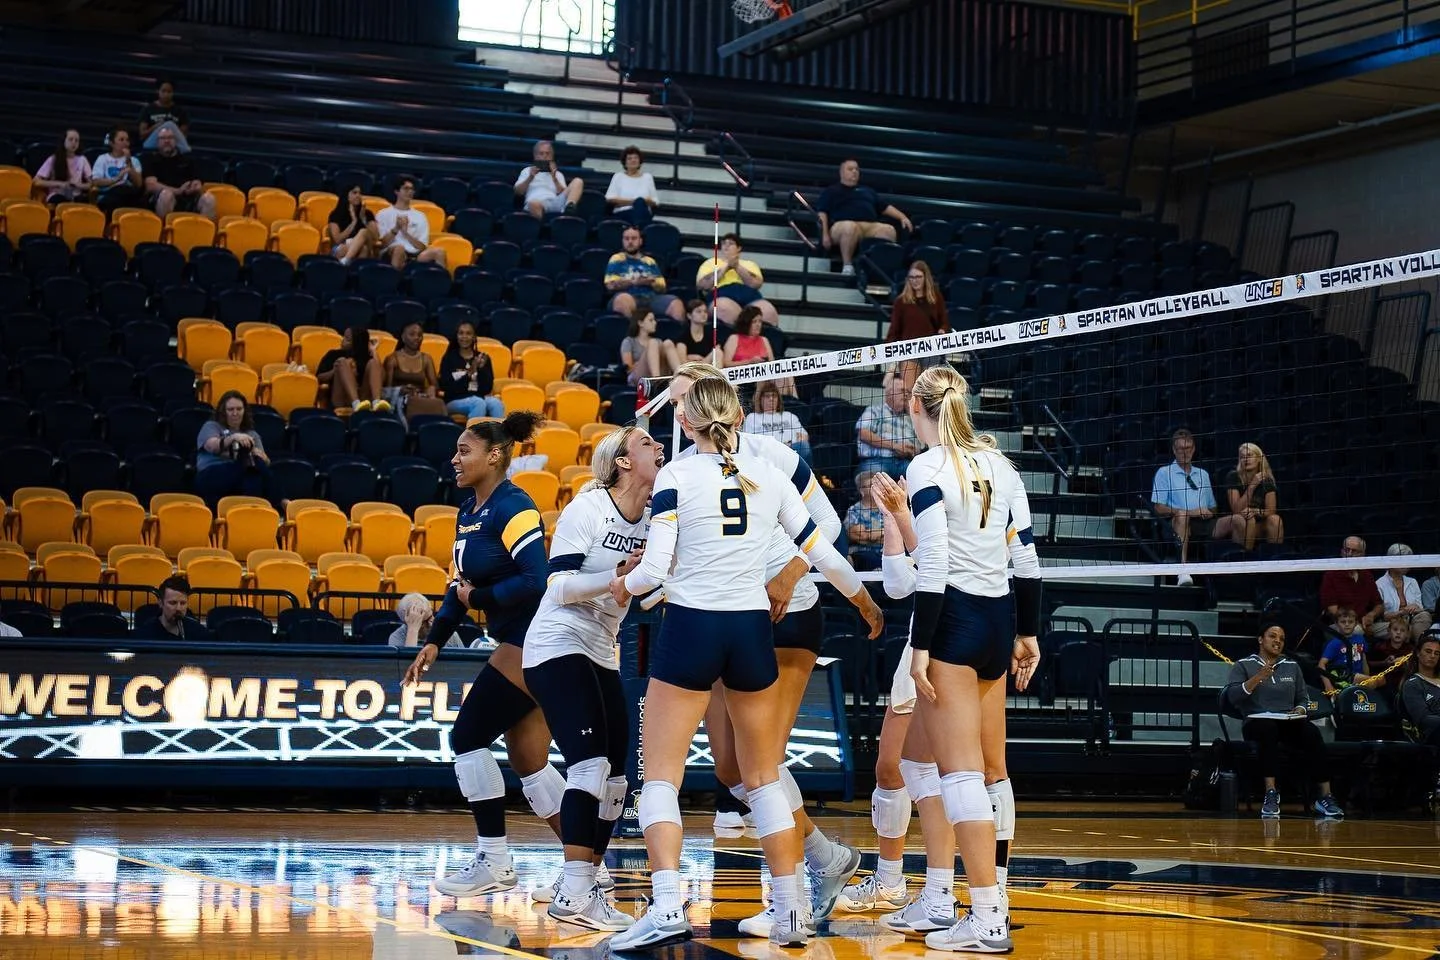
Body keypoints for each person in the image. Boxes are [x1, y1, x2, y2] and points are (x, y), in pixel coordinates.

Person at [605, 376, 882, 950]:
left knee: (659, 775)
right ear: (737, 415)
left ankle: (664, 907)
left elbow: (654, 572)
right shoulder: (771, 476)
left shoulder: (677, 476)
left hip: (693, 628)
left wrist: (622, 587)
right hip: (751, 629)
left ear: (685, 424)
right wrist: (864, 602)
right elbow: (824, 552)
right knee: (761, 778)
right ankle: (789, 915)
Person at [666, 362, 864, 936]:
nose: (677, 410)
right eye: (676, 399)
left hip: (789, 611)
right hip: (726, 616)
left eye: (684, 398)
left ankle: (791, 896)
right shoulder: (680, 469)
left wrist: (789, 574)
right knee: (731, 768)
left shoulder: (770, 455)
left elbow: (828, 525)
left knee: (761, 764)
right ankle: (825, 856)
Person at [854, 470, 1037, 937]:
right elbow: (902, 583)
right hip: (974, 626)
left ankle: (986, 898)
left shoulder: (942, 476)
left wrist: (898, 514)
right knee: (904, 765)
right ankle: (929, 890)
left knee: (974, 770)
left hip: (950, 635)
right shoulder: (940, 484)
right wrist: (897, 519)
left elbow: (943, 567)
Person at [402, 414, 574, 899]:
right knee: (529, 760)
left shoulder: (515, 507)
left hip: (537, 636)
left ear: (494, 455)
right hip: (521, 638)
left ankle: (494, 860)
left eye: (464, 451)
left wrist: (478, 599)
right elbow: (457, 587)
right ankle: (587, 868)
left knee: (468, 735)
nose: (454, 459)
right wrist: (435, 638)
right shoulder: (467, 510)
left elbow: (534, 581)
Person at [901, 364, 1041, 952]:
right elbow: (1027, 557)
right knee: (988, 769)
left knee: (957, 775)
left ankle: (984, 919)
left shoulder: (927, 467)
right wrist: (1029, 635)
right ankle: (992, 899)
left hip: (954, 621)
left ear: (917, 409)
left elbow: (932, 565)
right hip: (999, 619)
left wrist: (922, 647)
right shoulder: (1001, 465)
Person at [521, 426, 665, 931]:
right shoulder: (590, 506)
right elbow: (558, 588)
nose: (660, 448)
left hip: (604, 647)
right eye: (648, 443)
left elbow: (643, 599)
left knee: (618, 777)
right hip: (557, 640)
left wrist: (646, 581)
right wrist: (617, 578)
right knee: (590, 765)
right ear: (623, 461)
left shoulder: (656, 519)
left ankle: (582, 882)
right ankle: (576, 893)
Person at [1224, 622, 1344, 820]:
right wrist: (1257, 678)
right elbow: (1233, 697)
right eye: (1272, 636)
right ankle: (1271, 794)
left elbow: (1303, 697)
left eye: (1281, 638)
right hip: (1256, 721)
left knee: (1311, 733)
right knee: (1267, 729)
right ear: (1260, 639)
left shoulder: (1291, 666)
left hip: (1287, 721)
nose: (1277, 641)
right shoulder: (1243, 665)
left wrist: (1301, 709)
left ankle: (1325, 797)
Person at [816, 159, 912, 277]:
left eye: (857, 169)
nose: (854, 172)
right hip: (841, 226)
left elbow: (885, 207)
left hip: (868, 226)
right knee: (850, 226)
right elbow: (822, 212)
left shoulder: (867, 191)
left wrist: (903, 217)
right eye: (850, 169)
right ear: (841, 172)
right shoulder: (831, 191)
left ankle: (880, 270)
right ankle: (847, 265)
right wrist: (825, 234)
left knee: (888, 230)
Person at [1150, 428, 1216, 585]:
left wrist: (1208, 513)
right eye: (1180, 449)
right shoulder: (1164, 473)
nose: (1184, 453)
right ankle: (1182, 571)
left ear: (1193, 449)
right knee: (1182, 516)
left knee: (1238, 521)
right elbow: (1158, 508)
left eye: (1188, 448)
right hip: (1176, 523)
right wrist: (1190, 512)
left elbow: (1214, 508)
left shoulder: (1203, 474)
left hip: (1203, 524)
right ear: (1174, 450)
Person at [194, 391, 277, 509]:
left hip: (241, 475)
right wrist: (233, 438)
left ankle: (250, 515)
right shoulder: (211, 426)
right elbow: (212, 446)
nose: (235, 413)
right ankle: (281, 502)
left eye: (239, 409)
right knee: (250, 468)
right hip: (212, 473)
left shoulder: (252, 434)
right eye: (230, 409)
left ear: (244, 411)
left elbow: (263, 462)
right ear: (223, 411)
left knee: (255, 475)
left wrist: (264, 458)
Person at [887, 261, 949, 393]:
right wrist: (888, 350)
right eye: (912, 277)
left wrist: (942, 330)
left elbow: (944, 322)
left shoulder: (936, 298)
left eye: (918, 277)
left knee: (929, 392)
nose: (915, 280)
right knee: (910, 391)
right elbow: (894, 329)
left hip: (930, 349)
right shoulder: (901, 301)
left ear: (925, 277)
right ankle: (911, 414)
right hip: (909, 351)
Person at [604, 224, 683, 321]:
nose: (630, 242)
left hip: (650, 297)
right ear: (622, 241)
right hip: (627, 295)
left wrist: (651, 283)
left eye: (634, 238)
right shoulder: (617, 259)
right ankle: (632, 334)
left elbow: (662, 287)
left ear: (640, 241)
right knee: (623, 300)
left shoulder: (650, 261)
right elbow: (610, 285)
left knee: (676, 304)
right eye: (626, 239)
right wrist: (634, 282)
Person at [697, 234, 779, 327]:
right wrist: (726, 267)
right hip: (721, 293)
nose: (726, 246)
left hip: (748, 295)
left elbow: (755, 284)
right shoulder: (710, 263)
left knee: (768, 312)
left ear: (739, 248)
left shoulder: (749, 264)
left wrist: (736, 266)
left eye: (731, 243)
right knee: (724, 309)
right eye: (724, 243)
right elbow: (703, 285)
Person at [1214, 442, 1283, 551]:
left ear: (1259, 458)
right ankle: (1246, 558)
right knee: (1248, 518)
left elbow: (1271, 511)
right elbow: (1237, 509)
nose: (1246, 459)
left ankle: (1274, 559)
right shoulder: (1233, 476)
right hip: (1237, 522)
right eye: (1242, 457)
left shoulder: (1267, 480)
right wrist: (1252, 485)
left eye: (1249, 455)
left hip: (1258, 525)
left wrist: (1255, 511)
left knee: (1275, 519)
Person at [143, 126, 216, 218]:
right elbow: (151, 185)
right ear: (157, 142)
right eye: (163, 138)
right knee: (167, 195)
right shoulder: (150, 159)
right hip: (161, 199)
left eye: (170, 138)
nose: (167, 141)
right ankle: (165, 230)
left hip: (186, 197)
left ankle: (203, 231)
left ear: (176, 141)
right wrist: (177, 191)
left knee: (209, 199)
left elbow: (197, 182)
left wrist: (195, 186)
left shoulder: (187, 160)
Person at [375, 177, 447, 270]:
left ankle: (440, 281)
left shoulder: (420, 216)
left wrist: (406, 233)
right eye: (406, 188)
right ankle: (393, 279)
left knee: (440, 252)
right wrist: (396, 229)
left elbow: (421, 247)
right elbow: (382, 244)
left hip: (414, 255)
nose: (410, 191)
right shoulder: (383, 214)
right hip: (391, 252)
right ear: (397, 191)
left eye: (412, 189)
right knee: (399, 249)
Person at [439, 320, 504, 420]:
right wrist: (470, 372)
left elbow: (487, 388)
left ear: (474, 337)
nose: (464, 337)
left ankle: (499, 435)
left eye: (468, 333)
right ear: (456, 336)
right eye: (461, 333)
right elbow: (447, 388)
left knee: (496, 403)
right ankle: (471, 435)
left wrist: (481, 369)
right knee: (478, 402)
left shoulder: (482, 358)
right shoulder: (449, 358)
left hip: (478, 397)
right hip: (454, 400)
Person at [383, 321, 447, 422]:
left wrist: (429, 390)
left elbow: (435, 386)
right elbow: (386, 389)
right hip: (400, 400)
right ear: (403, 337)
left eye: (420, 335)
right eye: (412, 334)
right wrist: (400, 390)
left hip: (420, 397)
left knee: (438, 403)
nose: (417, 338)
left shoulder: (426, 359)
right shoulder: (392, 359)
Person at [856, 377, 918, 478]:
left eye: (907, 392)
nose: (906, 395)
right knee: (873, 480)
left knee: (922, 476)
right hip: (876, 461)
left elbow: (919, 447)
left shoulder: (909, 418)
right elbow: (863, 434)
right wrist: (896, 446)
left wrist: (910, 451)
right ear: (890, 393)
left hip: (905, 462)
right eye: (902, 391)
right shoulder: (874, 410)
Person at [1319, 536, 1383, 634]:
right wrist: (1355, 623)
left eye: (1354, 551)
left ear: (1363, 555)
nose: (1349, 554)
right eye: (1346, 550)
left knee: (1397, 629)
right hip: (1343, 624)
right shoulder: (1331, 575)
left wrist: (1371, 615)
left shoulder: (1367, 575)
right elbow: (1333, 610)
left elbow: (1379, 604)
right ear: (1341, 552)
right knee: (1357, 631)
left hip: (1365, 622)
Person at [316, 324, 387, 412]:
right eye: (344, 337)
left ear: (357, 343)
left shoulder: (366, 358)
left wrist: (373, 350)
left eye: (347, 339)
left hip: (364, 399)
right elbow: (319, 377)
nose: (342, 341)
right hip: (341, 398)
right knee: (342, 361)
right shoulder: (333, 354)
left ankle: (376, 402)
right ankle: (355, 403)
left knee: (373, 362)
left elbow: (382, 378)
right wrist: (334, 371)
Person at [742, 380, 811, 465]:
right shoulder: (753, 417)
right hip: (768, 453)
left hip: (792, 451)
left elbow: (804, 436)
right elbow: (749, 442)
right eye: (767, 396)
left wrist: (788, 447)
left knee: (804, 446)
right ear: (761, 399)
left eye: (774, 396)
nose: (771, 399)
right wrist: (778, 446)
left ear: (778, 399)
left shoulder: (789, 416)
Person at [1374, 543, 1433, 639]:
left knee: (1424, 616)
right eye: (1402, 560)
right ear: (1390, 561)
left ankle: (1420, 648)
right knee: (1400, 628)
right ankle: (1408, 632)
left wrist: (1415, 607)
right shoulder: (1379, 584)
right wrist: (1401, 613)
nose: (1406, 563)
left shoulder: (1412, 582)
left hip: (1412, 620)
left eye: (1408, 560)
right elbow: (1382, 617)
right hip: (1389, 623)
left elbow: (1421, 609)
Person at [515, 140, 585, 220]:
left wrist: (554, 178)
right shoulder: (527, 171)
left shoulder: (558, 174)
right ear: (535, 156)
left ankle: (569, 208)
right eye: (541, 153)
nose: (545, 156)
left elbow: (563, 193)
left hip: (554, 202)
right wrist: (530, 177)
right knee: (533, 203)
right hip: (535, 202)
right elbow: (518, 192)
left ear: (552, 156)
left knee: (578, 181)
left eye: (548, 154)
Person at [137, 577, 211, 642]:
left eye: (183, 603)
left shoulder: (199, 632)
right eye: (173, 603)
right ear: (160, 603)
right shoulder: (144, 634)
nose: (178, 608)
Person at [1316, 607, 1370, 695]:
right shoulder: (1335, 643)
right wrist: (1328, 685)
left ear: (1356, 623)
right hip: (1343, 676)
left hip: (1359, 676)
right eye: (1343, 622)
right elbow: (1321, 664)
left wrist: (1368, 677)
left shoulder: (1360, 639)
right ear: (1336, 624)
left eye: (1351, 622)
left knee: (1380, 680)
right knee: (1377, 680)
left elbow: (1364, 660)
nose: (1347, 624)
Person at [620, 308, 678, 389]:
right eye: (651, 320)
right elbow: (628, 368)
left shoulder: (658, 341)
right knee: (653, 343)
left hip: (660, 373)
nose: (655, 323)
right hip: (638, 378)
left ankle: (681, 379)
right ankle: (656, 382)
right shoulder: (629, 341)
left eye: (654, 320)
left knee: (668, 343)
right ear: (640, 323)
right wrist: (646, 360)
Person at [91, 126, 144, 214]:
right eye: (121, 140)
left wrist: (128, 162)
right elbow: (96, 181)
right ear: (112, 143)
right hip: (108, 193)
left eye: (127, 140)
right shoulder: (102, 158)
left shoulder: (134, 160)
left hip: (128, 194)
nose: (125, 143)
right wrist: (115, 179)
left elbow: (138, 184)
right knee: (118, 192)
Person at [32, 128, 92, 205]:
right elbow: (36, 181)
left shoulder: (82, 159)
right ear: (64, 141)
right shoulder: (54, 159)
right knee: (62, 201)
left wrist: (78, 185)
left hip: (76, 195)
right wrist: (59, 184)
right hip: (57, 194)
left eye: (76, 140)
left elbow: (91, 184)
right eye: (70, 139)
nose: (74, 143)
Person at [1400, 635, 1440, 746]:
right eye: (1428, 651)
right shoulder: (1412, 684)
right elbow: (1423, 719)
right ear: (1418, 653)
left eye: (1437, 653)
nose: (1432, 656)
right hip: (1431, 737)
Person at [605, 145, 659, 226]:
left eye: (636, 158)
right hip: (623, 213)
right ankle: (638, 230)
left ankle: (638, 228)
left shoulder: (647, 177)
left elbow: (655, 201)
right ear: (625, 162)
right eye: (629, 158)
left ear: (640, 161)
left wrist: (639, 202)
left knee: (640, 206)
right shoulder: (618, 176)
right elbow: (610, 198)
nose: (633, 160)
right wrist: (635, 202)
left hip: (643, 213)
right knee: (640, 202)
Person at [389, 593, 462, 648]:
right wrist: (413, 630)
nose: (431, 623)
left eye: (431, 616)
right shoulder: (396, 637)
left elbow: (465, 665)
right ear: (407, 623)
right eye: (425, 620)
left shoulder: (450, 634)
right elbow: (409, 665)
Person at [845, 470, 885, 571]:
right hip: (863, 553)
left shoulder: (889, 506)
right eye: (870, 485)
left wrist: (873, 535)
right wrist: (884, 533)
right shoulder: (854, 510)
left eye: (876, 484)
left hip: (888, 551)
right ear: (860, 490)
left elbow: (899, 535)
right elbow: (860, 536)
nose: (874, 487)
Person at [328, 183, 378, 264]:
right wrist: (353, 222)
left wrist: (363, 219)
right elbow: (337, 240)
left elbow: (375, 237)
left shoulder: (367, 213)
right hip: (342, 246)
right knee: (363, 249)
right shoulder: (336, 214)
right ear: (346, 195)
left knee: (363, 232)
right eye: (354, 193)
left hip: (364, 246)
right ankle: (354, 272)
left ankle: (345, 261)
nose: (358, 195)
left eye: (360, 193)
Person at [138, 79, 191, 148]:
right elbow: (142, 135)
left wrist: (169, 130)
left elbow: (183, 136)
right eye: (163, 91)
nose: (166, 94)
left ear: (173, 93)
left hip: (172, 145)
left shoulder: (180, 111)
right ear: (158, 91)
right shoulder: (148, 109)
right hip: (153, 145)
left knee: (169, 124)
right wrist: (156, 127)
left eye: (169, 92)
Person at [671, 299, 721, 366]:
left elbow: (717, 348)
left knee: (718, 352)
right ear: (689, 315)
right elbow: (682, 361)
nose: (703, 314)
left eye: (705, 311)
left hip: (708, 370)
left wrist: (703, 360)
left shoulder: (711, 333)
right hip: (691, 371)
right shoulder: (683, 336)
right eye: (699, 312)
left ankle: (717, 376)